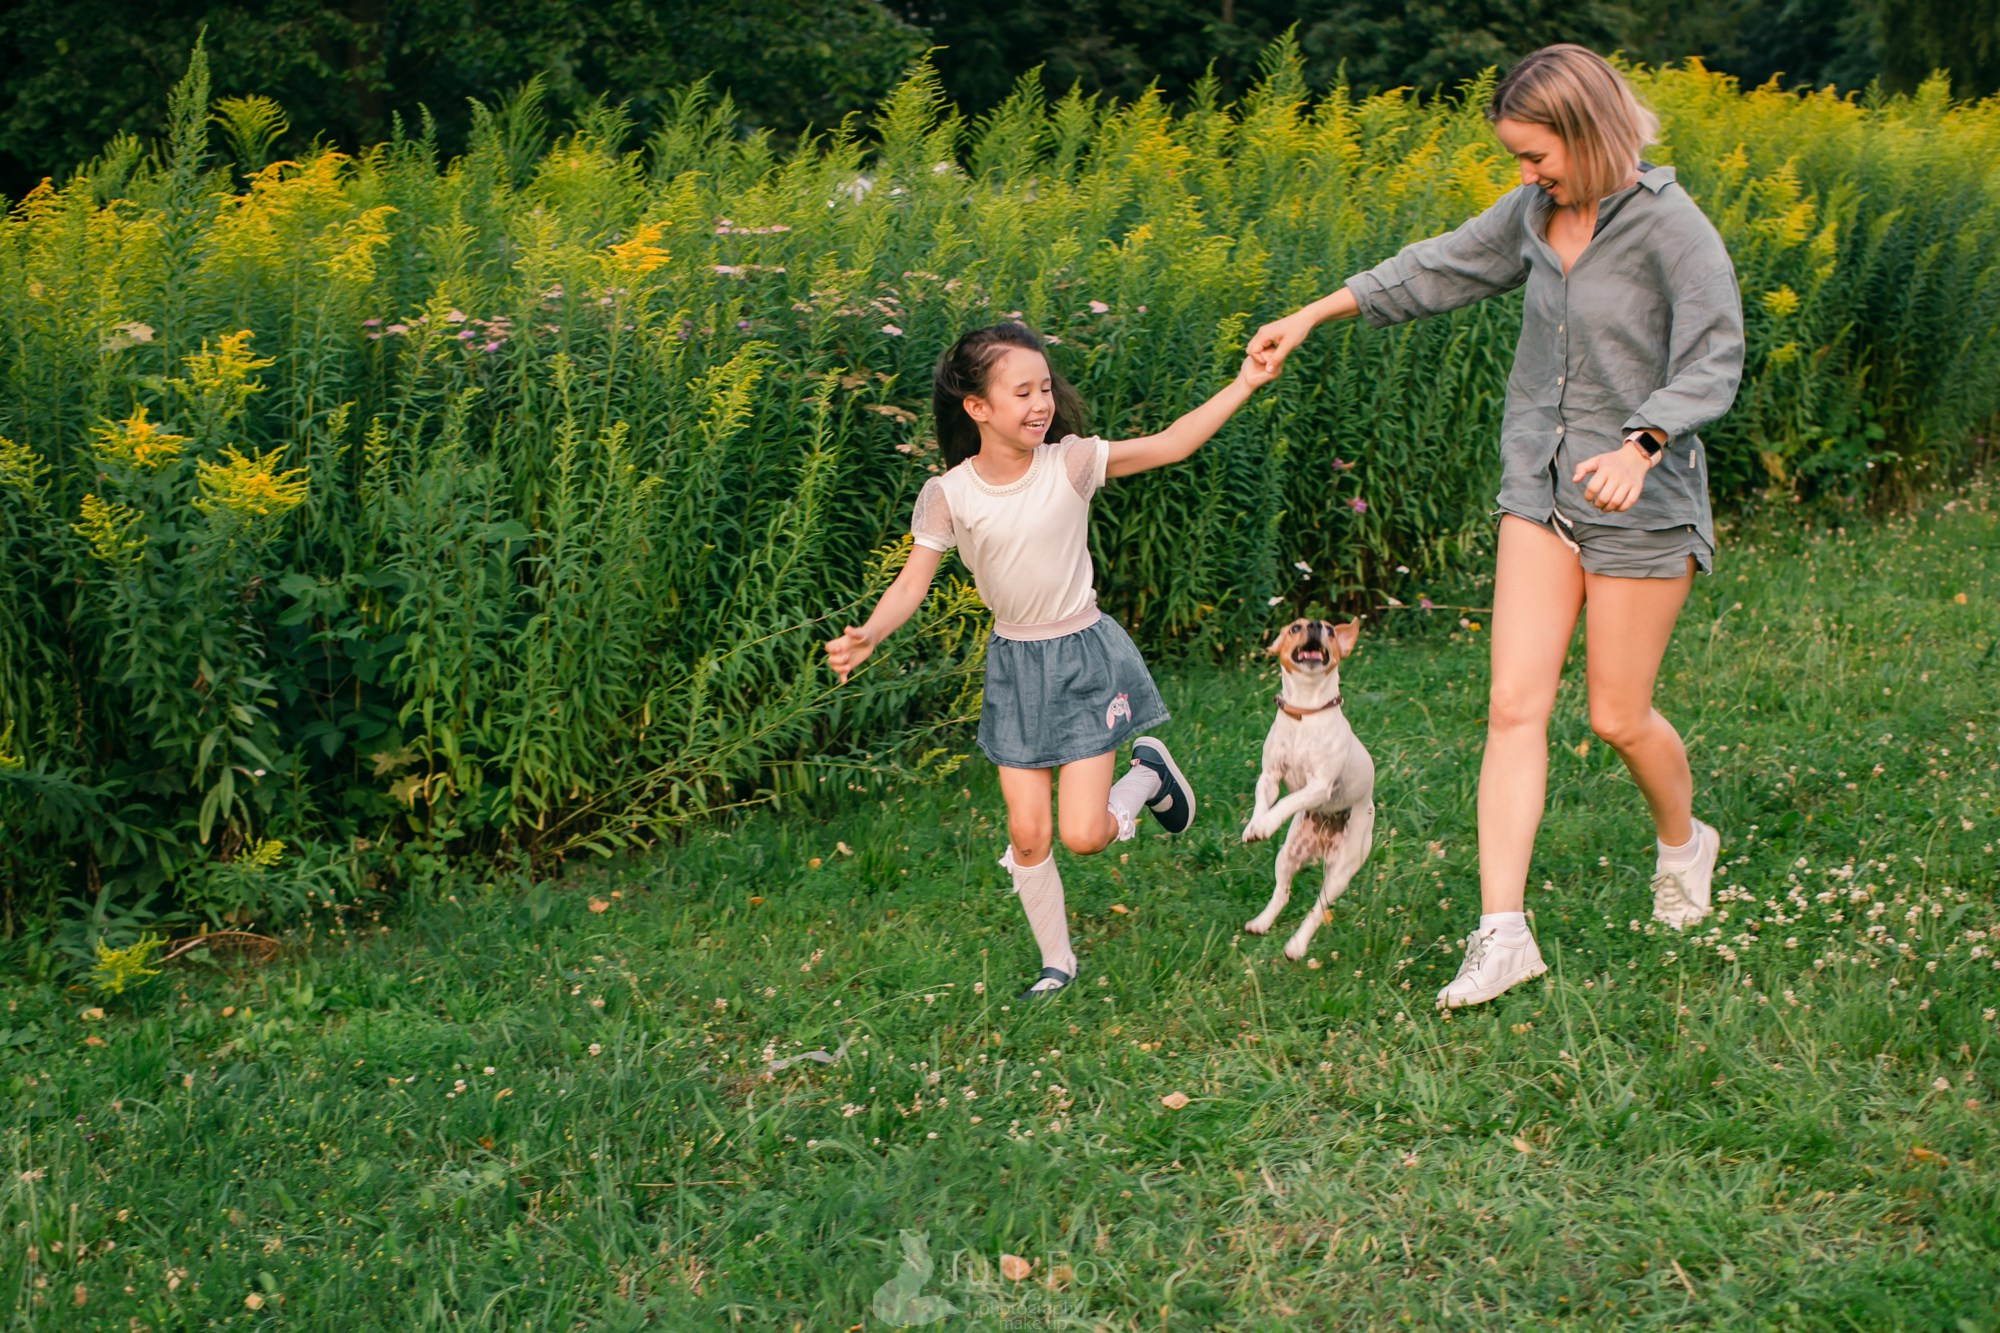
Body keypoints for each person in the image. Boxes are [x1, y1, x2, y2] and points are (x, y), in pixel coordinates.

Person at [1245, 44, 1745, 1009]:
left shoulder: (1675, 231)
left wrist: (1642, 443)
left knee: (1616, 715)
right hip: (1541, 491)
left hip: (1643, 504)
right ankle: (1503, 933)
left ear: (1589, 131)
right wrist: (1311, 314)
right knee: (1513, 707)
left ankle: (1685, 844)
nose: (1527, 176)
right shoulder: (1531, 217)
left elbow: (1715, 358)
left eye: (1536, 156)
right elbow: (1435, 268)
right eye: (1518, 160)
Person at [826, 322, 1278, 998]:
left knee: (1084, 835)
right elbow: (913, 581)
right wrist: (869, 632)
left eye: (1045, 387)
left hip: (1083, 657)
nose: (1041, 403)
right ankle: (1057, 961)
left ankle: (1147, 776)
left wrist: (1245, 382)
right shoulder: (951, 493)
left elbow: (1173, 444)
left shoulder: (1069, 463)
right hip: (1015, 665)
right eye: (1022, 392)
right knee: (1028, 831)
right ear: (976, 407)